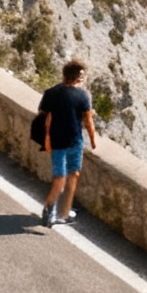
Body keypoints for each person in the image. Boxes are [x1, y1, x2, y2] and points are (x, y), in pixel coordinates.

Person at [36, 60, 98, 224]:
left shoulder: (51, 93)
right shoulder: (82, 95)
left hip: (63, 142)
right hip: (71, 142)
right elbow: (88, 121)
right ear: (78, 76)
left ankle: (62, 212)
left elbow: (44, 118)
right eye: (82, 74)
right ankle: (50, 209)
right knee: (63, 178)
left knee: (69, 176)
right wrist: (93, 141)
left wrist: (46, 139)